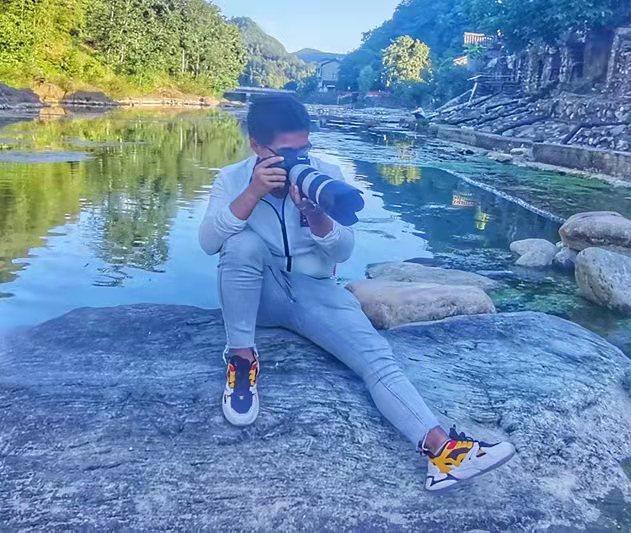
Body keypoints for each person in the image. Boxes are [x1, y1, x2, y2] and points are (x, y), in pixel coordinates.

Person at [198, 95, 515, 491]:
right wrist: (252, 193)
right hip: (258, 297)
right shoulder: (231, 179)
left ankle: (443, 452)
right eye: (287, 152)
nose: (299, 159)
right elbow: (209, 243)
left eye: (304, 149)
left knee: (377, 358)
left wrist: (315, 214)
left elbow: (343, 251)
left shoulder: (325, 176)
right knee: (240, 244)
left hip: (315, 294)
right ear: (257, 146)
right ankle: (242, 359)